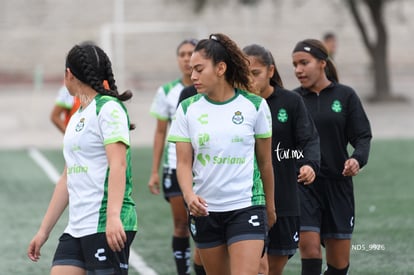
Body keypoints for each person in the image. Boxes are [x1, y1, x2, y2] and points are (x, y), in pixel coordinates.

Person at [168, 33, 276, 275]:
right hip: (206, 210)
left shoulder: (255, 106)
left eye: (198, 69)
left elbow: (265, 163)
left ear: (220, 68)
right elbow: (183, 163)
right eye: (191, 70)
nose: (192, 76)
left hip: (247, 207)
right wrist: (189, 196)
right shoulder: (187, 109)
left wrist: (270, 206)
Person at [27, 43, 138, 275]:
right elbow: (68, 177)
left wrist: (113, 217)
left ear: (69, 74)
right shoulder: (78, 115)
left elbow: (118, 165)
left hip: (105, 224)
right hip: (77, 227)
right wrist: (43, 231)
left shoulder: (109, 108)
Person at [291, 39, 372, 275]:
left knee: (338, 265)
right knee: (311, 250)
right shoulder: (292, 100)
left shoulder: (345, 96)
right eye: (295, 64)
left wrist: (357, 159)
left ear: (322, 63)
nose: (298, 69)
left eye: (304, 63)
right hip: (304, 186)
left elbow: (363, 136)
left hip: (338, 186)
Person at [243, 44, 320, 275]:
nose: (250, 80)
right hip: (246, 200)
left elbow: (309, 139)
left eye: (255, 73)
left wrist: (309, 164)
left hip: (284, 199)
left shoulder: (291, 102)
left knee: (273, 269)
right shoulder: (238, 105)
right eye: (245, 74)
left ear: (270, 71)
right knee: (258, 267)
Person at [148, 38, 199, 275]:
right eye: (182, 54)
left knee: (202, 226)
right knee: (181, 224)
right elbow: (160, 132)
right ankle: (183, 271)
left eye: (191, 53)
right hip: (175, 166)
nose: (187, 58)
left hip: (205, 168)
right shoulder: (167, 92)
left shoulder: (211, 88)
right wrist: (154, 171)